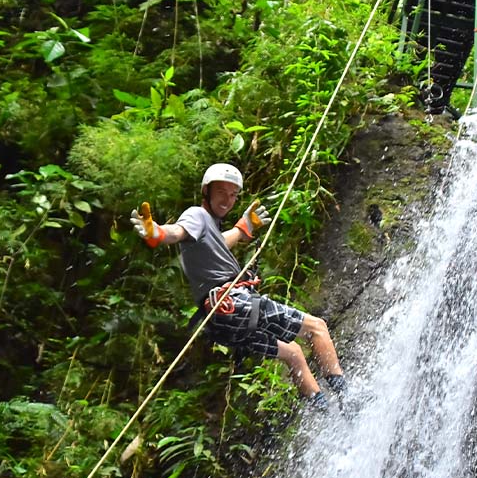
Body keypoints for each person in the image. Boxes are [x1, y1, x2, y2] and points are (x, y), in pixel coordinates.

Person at [131, 163, 348, 409]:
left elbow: (217, 242)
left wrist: (242, 228)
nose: (227, 200)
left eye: (233, 194)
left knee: (294, 353)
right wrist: (157, 233)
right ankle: (346, 398)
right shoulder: (196, 214)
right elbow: (177, 232)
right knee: (317, 327)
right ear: (207, 191)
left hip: (221, 324)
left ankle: (326, 410)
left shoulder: (208, 227)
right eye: (222, 192)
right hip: (231, 304)